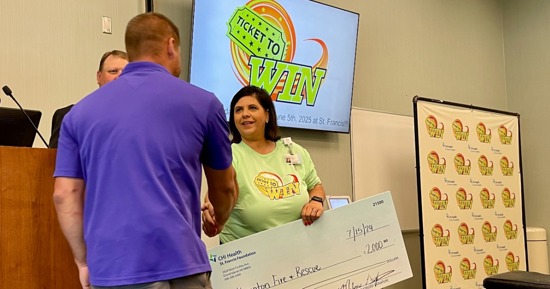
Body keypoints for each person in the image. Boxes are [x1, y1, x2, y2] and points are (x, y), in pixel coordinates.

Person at [53, 12, 237, 289]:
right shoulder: (204, 104)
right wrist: (219, 220)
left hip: (112, 270)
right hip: (181, 264)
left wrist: (83, 262)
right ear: (171, 46)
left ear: (131, 50)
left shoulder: (78, 115)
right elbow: (224, 188)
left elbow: (64, 195)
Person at [202, 85, 326, 243]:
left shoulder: (294, 150)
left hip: (296, 250)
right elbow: (217, 196)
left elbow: (315, 186)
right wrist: (213, 215)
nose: (245, 114)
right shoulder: (229, 155)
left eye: (252, 108)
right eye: (238, 110)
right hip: (246, 258)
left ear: (267, 115)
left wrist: (315, 201)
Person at [49, 50, 129, 148]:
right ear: (99, 77)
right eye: (113, 71)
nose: (120, 77)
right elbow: (55, 161)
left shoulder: (143, 119)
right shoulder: (71, 116)